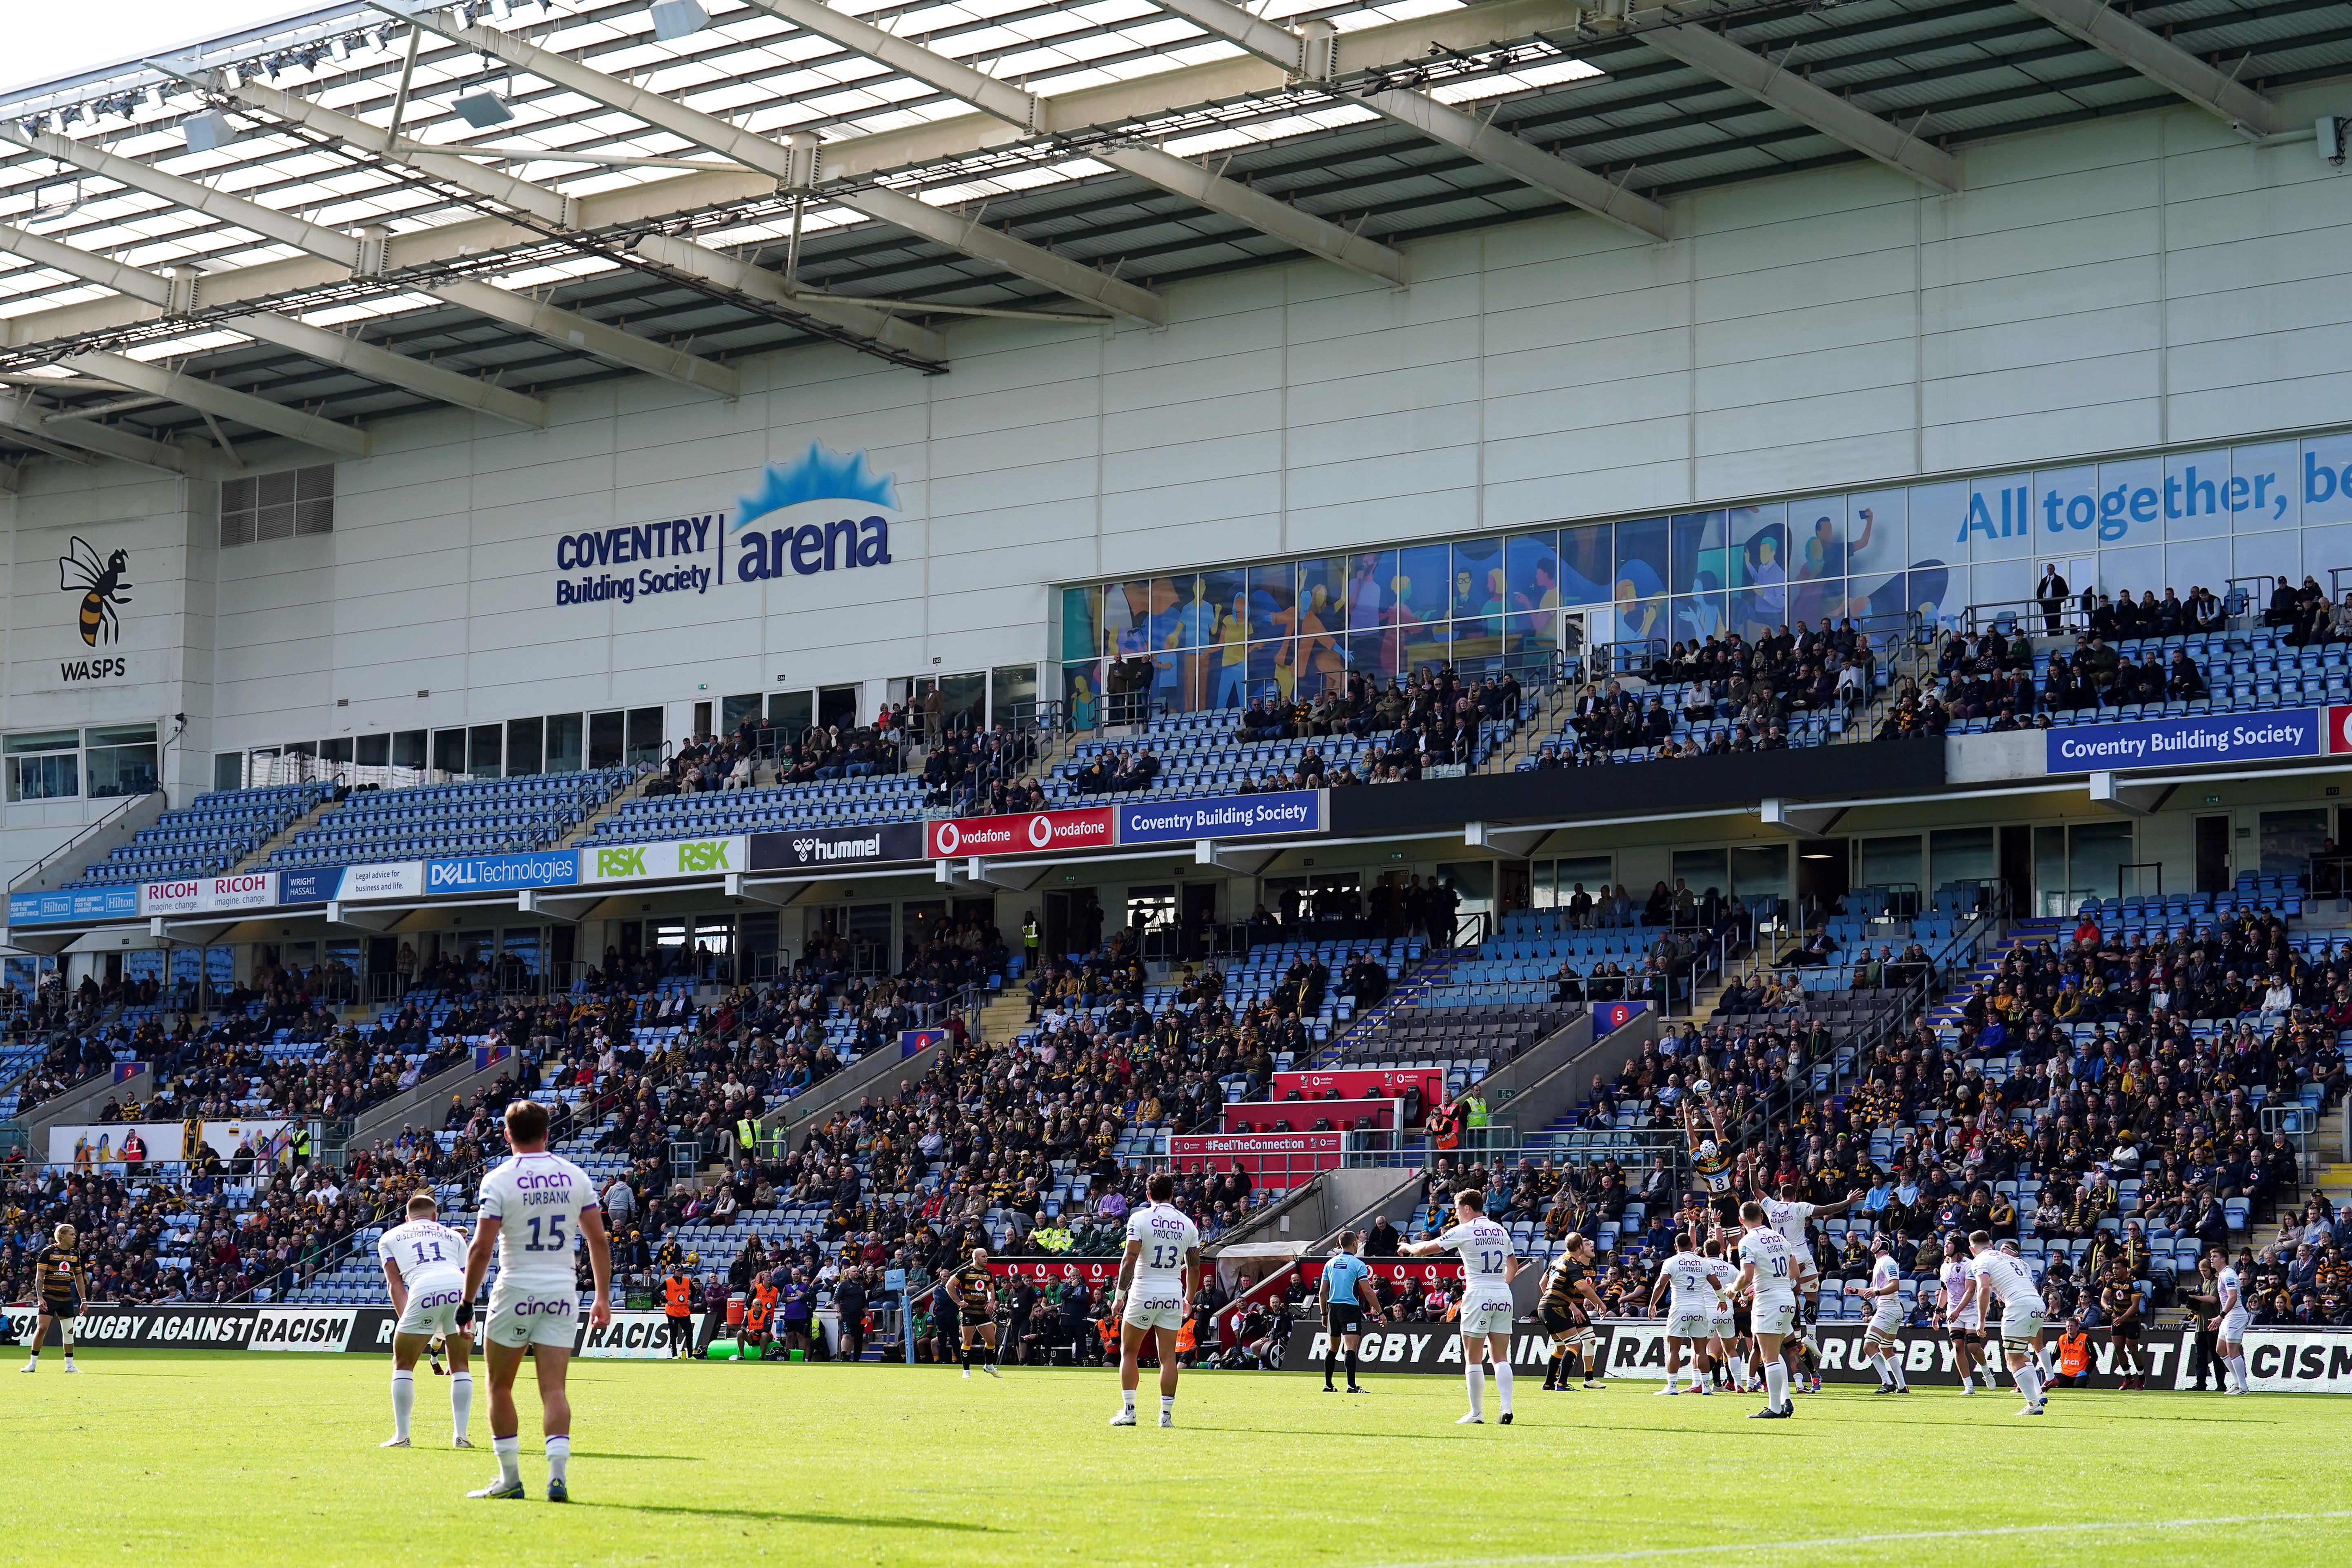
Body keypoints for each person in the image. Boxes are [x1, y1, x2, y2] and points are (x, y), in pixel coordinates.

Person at [460, 1099, 613, 1502]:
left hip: (515, 1289)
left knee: (499, 1387)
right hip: (562, 1291)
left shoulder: (498, 1179)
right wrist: (601, 1297)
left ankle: (509, 1478)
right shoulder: (574, 1176)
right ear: (548, 1133)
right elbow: (598, 1240)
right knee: (554, 1390)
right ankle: (557, 1475)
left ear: (507, 1135)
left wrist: (466, 1302)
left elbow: (480, 1248)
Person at [1402, 1187, 1522, 1424]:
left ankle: (1477, 1413)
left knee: (1473, 1357)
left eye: (1457, 1210)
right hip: (1503, 1294)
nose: (1456, 1215)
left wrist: (1407, 1248)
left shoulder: (1465, 1230)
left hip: (1478, 1295)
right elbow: (1514, 1267)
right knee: (1500, 1357)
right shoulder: (1501, 1230)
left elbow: (1426, 1249)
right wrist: (1498, 1285)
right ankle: (1506, 1407)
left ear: (1467, 1208)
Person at [376, 1192, 474, 1448]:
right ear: (435, 1216)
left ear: (407, 1218)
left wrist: (407, 1320)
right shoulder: (454, 1236)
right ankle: (461, 1437)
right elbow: (467, 1275)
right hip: (459, 1289)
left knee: (403, 1365)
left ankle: (402, 1437)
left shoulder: (389, 1237)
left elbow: (394, 1283)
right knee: (461, 1365)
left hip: (423, 1289)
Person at [1109, 1172, 1201, 1428]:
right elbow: (1194, 1267)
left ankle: (1129, 1412)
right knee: (1169, 1358)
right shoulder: (1188, 1224)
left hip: (1143, 1290)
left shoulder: (1140, 1218)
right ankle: (1166, 1416)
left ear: (1148, 1195)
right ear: (1173, 1194)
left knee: (1129, 1352)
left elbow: (1129, 1260)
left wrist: (1119, 1297)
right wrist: (1189, 1299)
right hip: (1172, 1290)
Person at [1764, 1178, 1861, 1393]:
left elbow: (1755, 1190)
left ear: (1780, 1197)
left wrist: (1752, 1169)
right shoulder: (1799, 1207)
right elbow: (1826, 1209)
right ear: (1794, 1196)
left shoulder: (1771, 1206)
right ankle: (1812, 1342)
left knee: (1790, 1341)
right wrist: (1848, 1202)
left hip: (1781, 1266)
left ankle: (1799, 1377)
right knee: (1805, 1309)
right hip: (1798, 1257)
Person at [1730, 1200, 1798, 1419]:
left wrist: (1734, 1289)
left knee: (1769, 1356)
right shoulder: (1781, 1238)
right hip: (1787, 1298)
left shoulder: (1747, 1241)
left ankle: (1775, 1409)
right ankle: (1784, 1400)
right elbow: (1795, 1271)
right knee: (1775, 1354)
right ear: (1763, 1216)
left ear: (1741, 1221)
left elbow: (1746, 1275)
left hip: (1768, 1301)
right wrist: (1768, 1281)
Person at [1968, 1231, 2047, 1416]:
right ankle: (2038, 1393)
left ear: (1972, 1249)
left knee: (2012, 1359)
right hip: (2037, 1303)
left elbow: (1984, 1287)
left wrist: (1981, 1320)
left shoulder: (1979, 1260)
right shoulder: (2005, 1257)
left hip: (2019, 1306)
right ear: (1991, 1244)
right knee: (2022, 1354)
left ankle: (2033, 1405)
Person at [1646, 1231, 1720, 1395]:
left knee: (1674, 1350)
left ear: (1675, 1247)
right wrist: (1721, 1300)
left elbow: (1660, 1284)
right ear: (1692, 1246)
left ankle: (1672, 1387)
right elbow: (1716, 1284)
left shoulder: (1671, 1262)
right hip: (1700, 1308)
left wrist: (1652, 1304)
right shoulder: (1703, 1262)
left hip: (1680, 1308)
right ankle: (1706, 1388)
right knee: (1701, 1350)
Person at [1536, 1231, 1606, 1391]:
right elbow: (1583, 1288)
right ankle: (1562, 1384)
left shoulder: (1557, 1260)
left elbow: (1542, 1283)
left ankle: (1548, 1383)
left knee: (1561, 1346)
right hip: (1557, 1307)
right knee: (1574, 1344)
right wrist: (1600, 1303)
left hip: (1544, 1306)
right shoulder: (1573, 1264)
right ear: (1580, 1247)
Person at [20, 1222, 87, 1374]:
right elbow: (40, 1277)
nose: (75, 1237)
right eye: (72, 1235)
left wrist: (84, 1300)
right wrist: (40, 1298)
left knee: (69, 1332)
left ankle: (70, 1366)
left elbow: (79, 1279)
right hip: (49, 1297)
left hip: (66, 1298)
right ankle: (32, 1364)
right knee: (42, 1328)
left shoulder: (74, 1255)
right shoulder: (47, 1253)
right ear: (62, 1237)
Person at [1319, 1230, 1376, 1394]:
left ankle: (1328, 1385)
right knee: (1350, 1348)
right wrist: (1380, 1312)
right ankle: (1351, 1386)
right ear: (1354, 1244)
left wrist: (1324, 1314)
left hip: (1333, 1308)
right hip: (1350, 1308)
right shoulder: (1358, 1264)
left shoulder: (1329, 1263)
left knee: (1333, 1348)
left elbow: (1323, 1292)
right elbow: (1367, 1291)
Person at [1858, 1233, 1908, 1394]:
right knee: (1886, 1349)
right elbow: (1875, 1290)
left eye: (1877, 1241)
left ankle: (1887, 1382)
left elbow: (1895, 1285)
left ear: (1884, 1246)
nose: (1873, 1243)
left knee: (1869, 1346)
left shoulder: (1887, 1261)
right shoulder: (1881, 1262)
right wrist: (1856, 1291)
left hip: (1888, 1309)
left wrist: (1877, 1293)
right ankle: (1902, 1386)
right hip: (1892, 1309)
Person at [1937, 1231, 1985, 1395]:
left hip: (1970, 1310)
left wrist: (1958, 1310)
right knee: (1958, 1347)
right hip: (1953, 1311)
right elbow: (1945, 1290)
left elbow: (1970, 1290)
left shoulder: (1968, 1265)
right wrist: (1938, 1311)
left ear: (1957, 1247)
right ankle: (1969, 1386)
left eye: (1949, 1244)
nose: (1946, 1247)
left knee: (1973, 1347)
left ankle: (1985, 1370)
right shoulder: (1944, 1266)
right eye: (1945, 1244)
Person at [943, 1247, 1001, 1379]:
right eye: (983, 1257)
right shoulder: (965, 1272)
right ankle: (966, 1371)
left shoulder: (988, 1274)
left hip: (983, 1311)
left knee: (991, 1341)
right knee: (967, 1341)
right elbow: (949, 1286)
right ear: (976, 1258)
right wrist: (959, 1302)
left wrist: (991, 1302)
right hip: (968, 1311)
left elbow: (991, 1290)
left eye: (986, 1256)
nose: (986, 1259)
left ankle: (989, 1366)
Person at [2214, 1249, 2250, 1395]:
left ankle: (2244, 1387)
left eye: (2215, 1257)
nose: (2212, 1259)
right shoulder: (2222, 1275)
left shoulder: (2229, 1275)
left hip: (2235, 1315)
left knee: (2233, 1351)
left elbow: (2233, 1297)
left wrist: (2221, 1316)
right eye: (2211, 1257)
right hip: (2228, 1316)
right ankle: (2237, 1382)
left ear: (2223, 1259)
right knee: (2220, 1349)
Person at [661, 1265, 695, 1357]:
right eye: (679, 1271)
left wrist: (690, 1300)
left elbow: (693, 1290)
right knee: (674, 1334)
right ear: (674, 1271)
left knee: (689, 1333)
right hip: (673, 1312)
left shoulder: (687, 1281)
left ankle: (691, 1355)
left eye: (682, 1271)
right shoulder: (668, 1282)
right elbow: (656, 1291)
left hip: (684, 1311)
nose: (681, 1273)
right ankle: (674, 1355)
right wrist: (666, 1301)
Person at [2036, 564, 2070, 636]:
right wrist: (2041, 601)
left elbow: (2066, 591)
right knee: (2048, 621)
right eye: (2048, 569)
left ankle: (2056, 635)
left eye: (2051, 569)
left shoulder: (2059, 579)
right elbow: (2039, 592)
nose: (2049, 570)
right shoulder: (2044, 580)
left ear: (2054, 569)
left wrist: (2059, 600)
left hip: (2055, 604)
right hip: (2046, 603)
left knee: (2056, 621)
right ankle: (2050, 636)